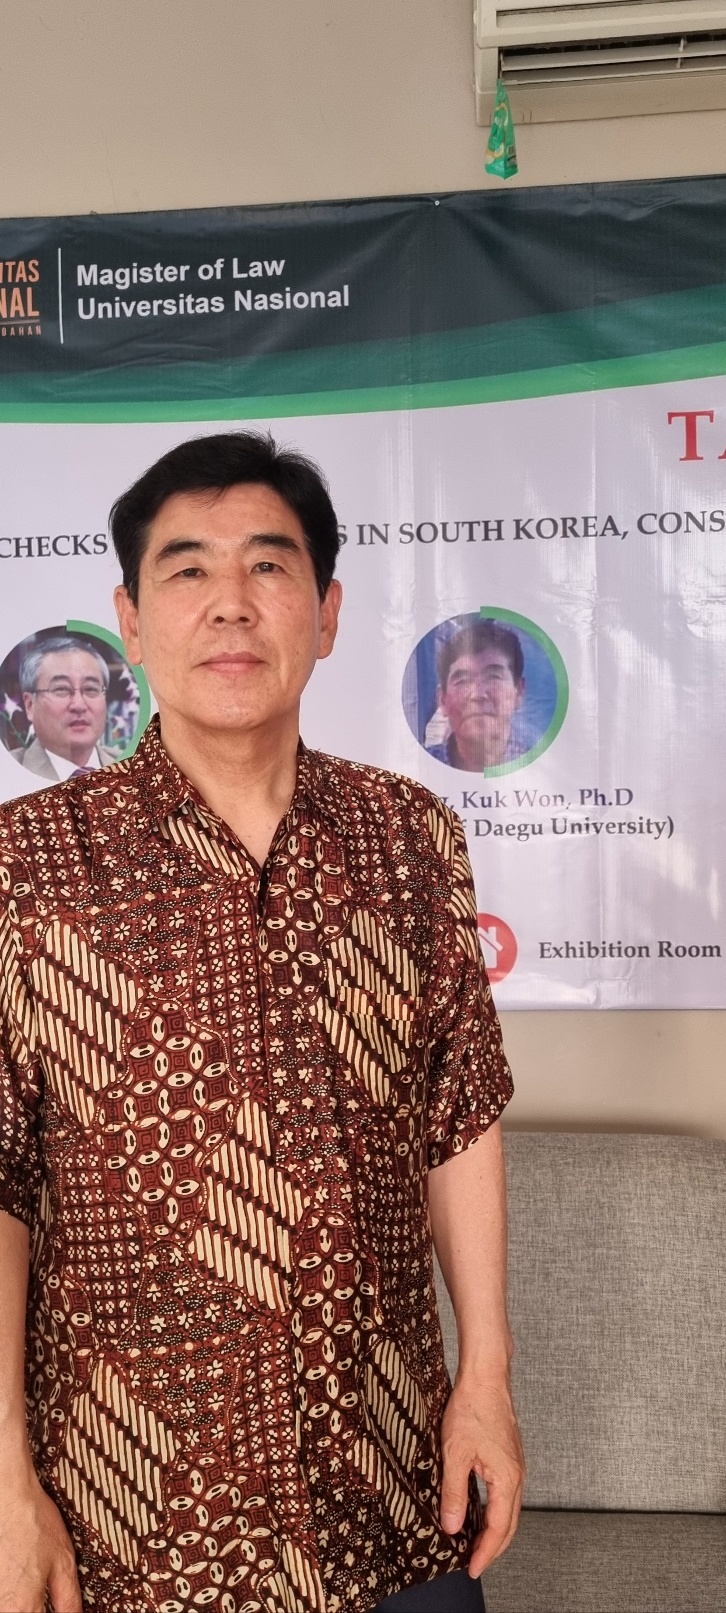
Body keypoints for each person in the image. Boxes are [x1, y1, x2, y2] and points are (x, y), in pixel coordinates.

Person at [0, 432, 524, 1613]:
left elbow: (459, 1112)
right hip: (132, 1530)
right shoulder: (27, 866)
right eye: (187, 568)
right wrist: (3, 1476)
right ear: (130, 620)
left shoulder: (408, 836)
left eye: (269, 566)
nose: (230, 601)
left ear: (326, 613)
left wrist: (486, 1376)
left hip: (391, 1491)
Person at [427, 621, 526, 772]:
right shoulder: (414, 770)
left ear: (518, 692)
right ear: (443, 700)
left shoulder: (546, 772)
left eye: (493, 677)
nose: (478, 695)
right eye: (462, 681)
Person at [18, 635, 118, 780]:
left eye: (91, 689)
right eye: (61, 689)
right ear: (30, 705)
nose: (78, 705)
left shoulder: (132, 763)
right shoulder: (8, 772)